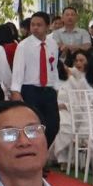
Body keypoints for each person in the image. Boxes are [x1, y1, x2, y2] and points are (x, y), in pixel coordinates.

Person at [11, 9, 62, 146]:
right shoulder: (23, 46)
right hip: (30, 90)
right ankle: (35, 153)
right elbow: (18, 70)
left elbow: (53, 67)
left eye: (39, 25)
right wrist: (16, 91)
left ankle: (43, 151)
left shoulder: (52, 44)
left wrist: (56, 87)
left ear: (47, 26)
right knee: (33, 125)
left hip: (49, 89)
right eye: (33, 25)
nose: (35, 28)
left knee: (53, 125)